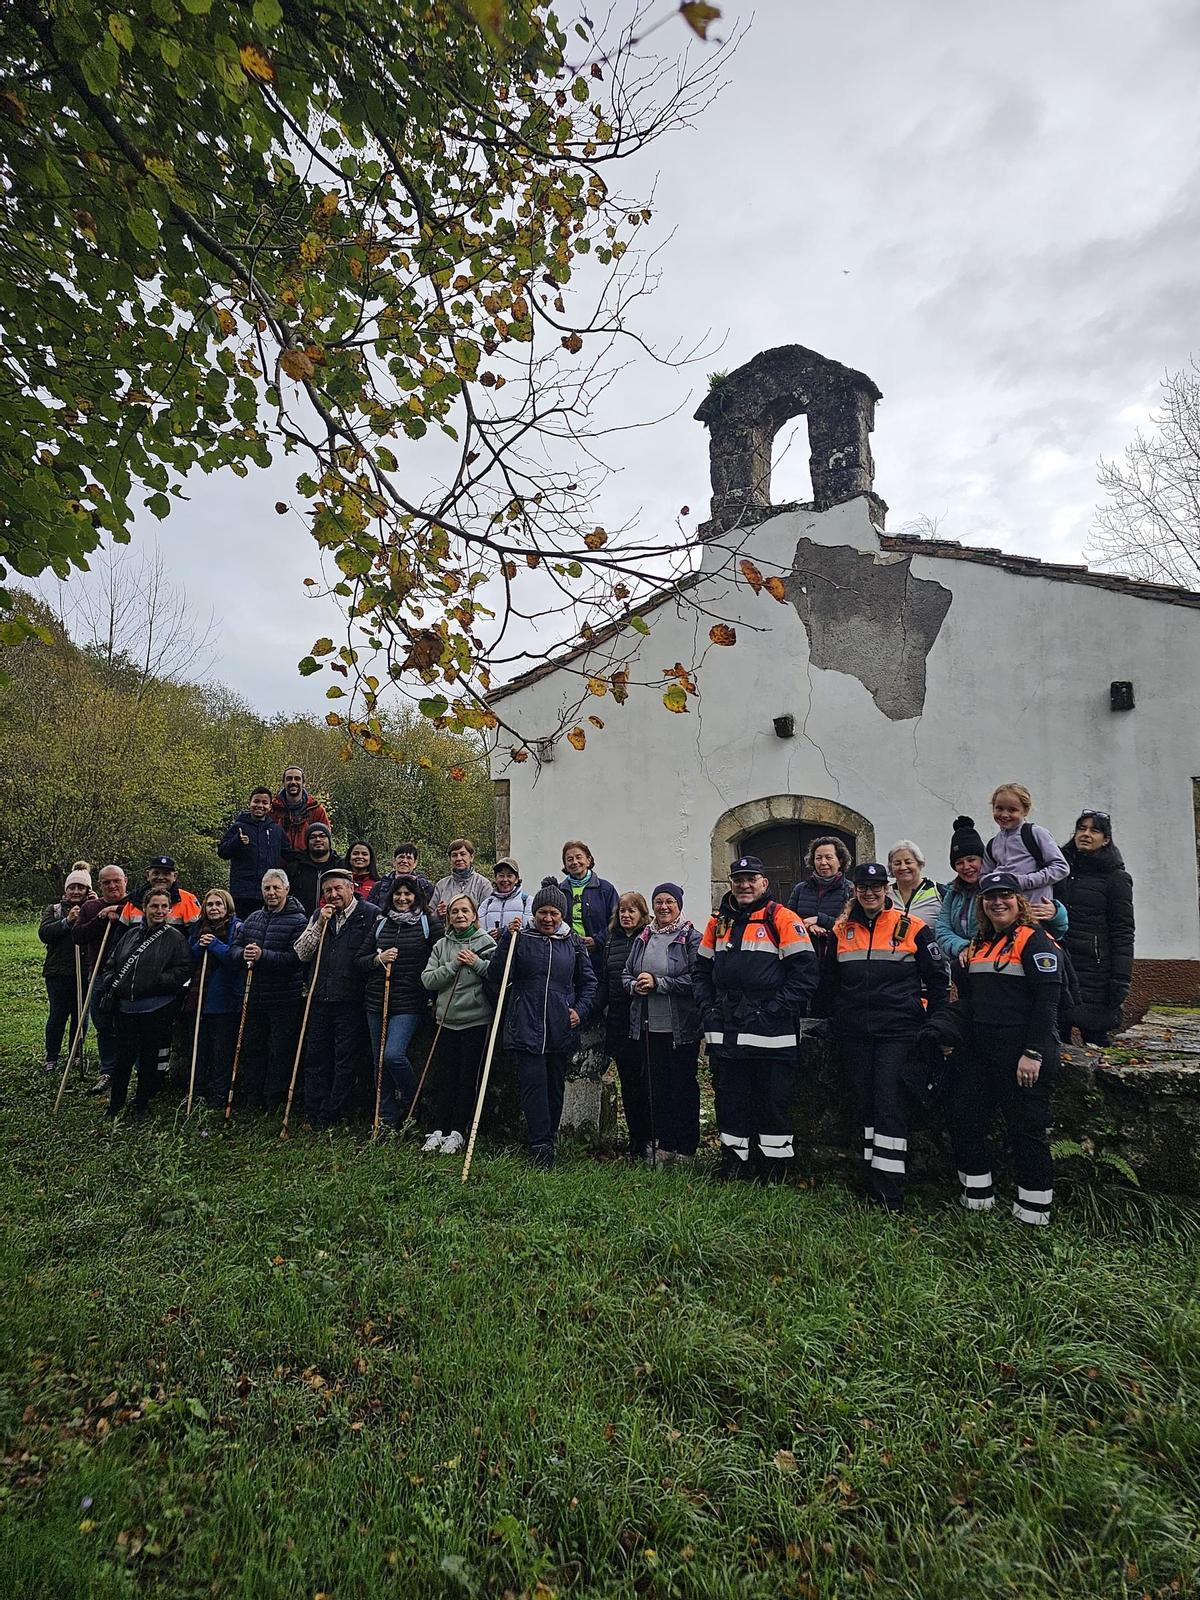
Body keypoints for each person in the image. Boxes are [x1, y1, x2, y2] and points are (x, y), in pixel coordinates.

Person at [925, 870, 1064, 1226]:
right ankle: (977, 1199)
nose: (997, 902)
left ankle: (1034, 1212)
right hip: (981, 1052)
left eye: (1005, 896)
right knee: (965, 1120)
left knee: (1026, 1132)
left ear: (1019, 901)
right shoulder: (978, 945)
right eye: (990, 897)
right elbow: (968, 999)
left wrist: (1033, 1053)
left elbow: (1048, 1003)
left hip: (1023, 1054)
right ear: (981, 906)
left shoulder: (1035, 941)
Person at [820, 861, 950, 1212]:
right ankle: (870, 1178)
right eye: (863, 887)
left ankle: (890, 1192)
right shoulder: (841, 930)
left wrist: (931, 1023)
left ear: (886, 890)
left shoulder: (913, 928)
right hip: (854, 1033)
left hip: (899, 1032)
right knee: (864, 1105)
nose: (870, 893)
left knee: (889, 1107)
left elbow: (939, 980)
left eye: (877, 887)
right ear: (855, 890)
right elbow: (829, 983)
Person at [694, 854, 819, 1183]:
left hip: (772, 1033)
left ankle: (774, 1170)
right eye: (738, 880)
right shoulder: (718, 922)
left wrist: (773, 1010)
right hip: (727, 1030)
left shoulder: (783, 918)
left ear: (764, 883)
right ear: (731, 884)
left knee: (772, 1102)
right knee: (730, 1100)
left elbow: (805, 976)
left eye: (751, 879)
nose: (745, 885)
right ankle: (734, 1165)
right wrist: (708, 1009)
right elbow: (701, 972)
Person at [484, 878, 597, 1170]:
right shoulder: (521, 937)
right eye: (543, 912)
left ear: (562, 916)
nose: (548, 918)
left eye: (554, 913)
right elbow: (497, 975)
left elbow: (588, 983)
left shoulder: (572, 942)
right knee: (533, 1085)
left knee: (554, 1086)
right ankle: (540, 1144)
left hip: (560, 1024)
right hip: (525, 1021)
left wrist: (580, 1011)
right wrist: (507, 940)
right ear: (535, 913)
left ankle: (549, 1136)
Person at [96, 886, 194, 1119]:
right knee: (124, 1058)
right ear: (145, 908)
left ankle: (142, 1103)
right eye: (154, 906)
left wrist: (157, 981)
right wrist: (113, 982)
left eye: (164, 906)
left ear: (169, 909)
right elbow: (111, 962)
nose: (159, 911)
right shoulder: (130, 935)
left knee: (149, 1057)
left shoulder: (175, 938)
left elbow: (184, 969)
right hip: (125, 1007)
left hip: (156, 1006)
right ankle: (115, 1104)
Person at [623, 882, 703, 1165]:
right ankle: (665, 1143)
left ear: (679, 905)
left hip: (681, 1028)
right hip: (648, 1026)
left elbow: (698, 979)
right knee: (657, 1086)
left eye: (670, 901)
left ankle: (686, 1147)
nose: (664, 907)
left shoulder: (692, 938)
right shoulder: (643, 937)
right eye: (659, 902)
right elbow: (626, 973)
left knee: (683, 1085)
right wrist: (635, 985)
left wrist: (660, 983)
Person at [294, 867, 378, 1128]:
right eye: (327, 890)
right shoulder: (320, 916)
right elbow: (302, 952)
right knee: (316, 1057)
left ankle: (334, 1113)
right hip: (319, 997)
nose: (333, 894)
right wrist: (320, 924)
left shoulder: (370, 915)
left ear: (351, 888)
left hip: (351, 1000)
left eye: (337, 888)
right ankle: (313, 1111)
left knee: (344, 1059)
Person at [357, 875, 440, 1131]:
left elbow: (442, 953)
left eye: (408, 894)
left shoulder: (429, 924)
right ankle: (386, 1118)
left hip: (410, 1002)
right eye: (397, 894)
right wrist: (376, 960)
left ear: (417, 897)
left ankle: (413, 1100)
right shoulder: (381, 924)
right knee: (378, 1062)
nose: (402, 898)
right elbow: (360, 959)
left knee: (393, 1055)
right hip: (376, 1000)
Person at [420, 895, 498, 1155]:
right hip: (446, 1021)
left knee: (468, 1078)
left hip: (476, 1020)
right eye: (455, 911)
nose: (460, 915)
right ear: (449, 917)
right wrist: (453, 965)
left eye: (465, 910)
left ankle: (458, 1131)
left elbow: (496, 973)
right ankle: (438, 1130)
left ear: (475, 915)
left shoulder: (486, 942)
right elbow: (429, 980)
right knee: (444, 1077)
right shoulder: (441, 945)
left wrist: (475, 963)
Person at [939, 816, 1068, 966]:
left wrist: (1056, 913)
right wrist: (962, 947)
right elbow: (942, 929)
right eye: (959, 863)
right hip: (966, 964)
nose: (966, 866)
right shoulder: (953, 893)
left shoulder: (1003, 891)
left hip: (1002, 960)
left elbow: (1056, 928)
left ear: (984, 860)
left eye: (971, 859)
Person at [1054, 809, 1135, 1045]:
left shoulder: (1116, 878)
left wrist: (1121, 978)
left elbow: (1123, 930)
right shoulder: (1060, 870)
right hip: (1060, 962)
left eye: (1094, 830)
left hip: (1096, 969)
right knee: (1056, 1036)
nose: (1086, 834)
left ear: (1106, 839)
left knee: (1095, 1036)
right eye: (1082, 828)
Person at [232, 870, 307, 1112]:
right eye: (267, 889)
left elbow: (295, 959)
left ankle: (275, 1100)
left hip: (284, 997)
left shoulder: (298, 921)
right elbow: (235, 948)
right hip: (254, 995)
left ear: (286, 889)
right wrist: (242, 954)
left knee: (279, 1050)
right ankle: (253, 1098)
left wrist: (264, 956)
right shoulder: (253, 918)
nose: (271, 893)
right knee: (253, 1047)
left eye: (276, 888)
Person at [73, 864, 141, 1095]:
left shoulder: (136, 903)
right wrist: (102, 918)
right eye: (106, 882)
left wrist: (119, 909)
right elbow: (78, 936)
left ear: (125, 881)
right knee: (103, 1024)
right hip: (100, 974)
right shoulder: (91, 906)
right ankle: (108, 1071)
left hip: (131, 975)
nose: (112, 885)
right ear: (99, 885)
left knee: (133, 1025)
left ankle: (139, 1073)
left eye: (116, 881)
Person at [188, 890, 245, 1109]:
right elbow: (188, 958)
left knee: (222, 1049)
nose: (213, 908)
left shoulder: (237, 927)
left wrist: (214, 945)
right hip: (199, 996)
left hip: (225, 998)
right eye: (209, 904)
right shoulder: (197, 929)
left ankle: (220, 1094)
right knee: (200, 1046)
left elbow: (235, 958)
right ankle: (197, 1089)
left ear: (226, 906)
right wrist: (199, 946)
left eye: (218, 904)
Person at [604, 891, 651, 1159]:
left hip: (644, 1018)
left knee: (647, 1083)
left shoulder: (649, 938)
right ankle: (636, 1140)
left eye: (632, 910)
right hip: (619, 1019)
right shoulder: (612, 940)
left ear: (642, 914)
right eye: (622, 910)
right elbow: (605, 978)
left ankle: (651, 1139)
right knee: (629, 1084)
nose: (626, 915)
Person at [39, 867, 97, 1072]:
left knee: (80, 1016)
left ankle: (76, 1054)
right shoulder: (54, 909)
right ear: (66, 889)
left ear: (87, 889)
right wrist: (67, 921)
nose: (76, 891)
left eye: (81, 887)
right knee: (57, 1015)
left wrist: (94, 907)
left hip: (84, 971)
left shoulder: (92, 908)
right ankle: (51, 1057)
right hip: (58, 972)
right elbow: (45, 933)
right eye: (72, 887)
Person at [984, 783, 1069, 906]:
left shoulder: (1036, 833)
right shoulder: (993, 844)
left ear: (1025, 811)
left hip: (1034, 912)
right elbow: (984, 876)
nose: (1004, 815)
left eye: (1012, 810)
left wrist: (1023, 881)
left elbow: (1061, 868)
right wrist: (998, 884)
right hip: (1004, 914)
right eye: (999, 808)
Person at [217, 787, 285, 918]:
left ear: (270, 807)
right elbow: (222, 852)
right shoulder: (238, 827)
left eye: (264, 803)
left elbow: (289, 854)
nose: (260, 805)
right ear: (250, 803)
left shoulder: (276, 830)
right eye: (256, 801)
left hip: (267, 893)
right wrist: (237, 841)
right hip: (242, 894)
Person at [559, 840, 618, 982]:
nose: (574, 862)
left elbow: (616, 919)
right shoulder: (560, 891)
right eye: (569, 859)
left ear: (588, 859)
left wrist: (597, 940)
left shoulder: (605, 889)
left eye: (579, 857)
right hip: (567, 953)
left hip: (598, 954)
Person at [787, 837, 853, 943]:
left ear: (840, 861)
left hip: (837, 951)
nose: (823, 862)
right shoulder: (800, 889)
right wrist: (807, 926)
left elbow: (851, 923)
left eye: (828, 857)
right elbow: (789, 919)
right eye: (818, 858)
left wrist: (820, 919)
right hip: (806, 950)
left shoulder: (850, 890)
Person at [272, 766, 332, 858]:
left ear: (303, 783)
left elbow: (326, 841)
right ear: (283, 783)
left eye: (297, 779)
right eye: (289, 779)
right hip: (278, 864)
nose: (293, 782)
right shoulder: (273, 809)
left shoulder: (316, 810)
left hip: (307, 865)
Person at [289, 823, 344, 917]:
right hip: (302, 923)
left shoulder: (341, 866)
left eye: (322, 836)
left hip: (334, 922)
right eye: (313, 837)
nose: (318, 840)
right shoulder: (295, 867)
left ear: (329, 841)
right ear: (307, 842)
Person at [130, 856, 202, 925]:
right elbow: (121, 933)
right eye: (156, 873)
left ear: (175, 876)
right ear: (148, 875)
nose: (161, 877)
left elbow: (197, 932)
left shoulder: (188, 899)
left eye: (166, 874)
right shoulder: (133, 900)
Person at [887, 840, 943, 926]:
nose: (903, 867)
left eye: (908, 862)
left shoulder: (939, 892)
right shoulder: (885, 894)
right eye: (897, 863)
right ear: (891, 867)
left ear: (919, 863)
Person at [432, 839, 492, 919]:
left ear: (471, 857)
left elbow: (489, 914)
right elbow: (430, 916)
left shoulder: (483, 884)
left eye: (463, 854)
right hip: (445, 931)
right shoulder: (441, 885)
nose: (459, 858)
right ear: (450, 859)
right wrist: (438, 913)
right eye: (454, 855)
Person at [368, 843, 435, 910]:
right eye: (401, 857)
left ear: (415, 863)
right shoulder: (379, 886)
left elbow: (431, 912)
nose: (404, 861)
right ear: (394, 861)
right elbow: (370, 911)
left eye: (409, 858)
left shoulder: (425, 887)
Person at [477, 856, 533, 935]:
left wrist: (505, 932)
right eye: (501, 876)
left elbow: (531, 933)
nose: (505, 880)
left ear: (516, 879)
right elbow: (479, 933)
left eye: (509, 876)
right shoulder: (486, 904)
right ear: (496, 878)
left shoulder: (527, 902)